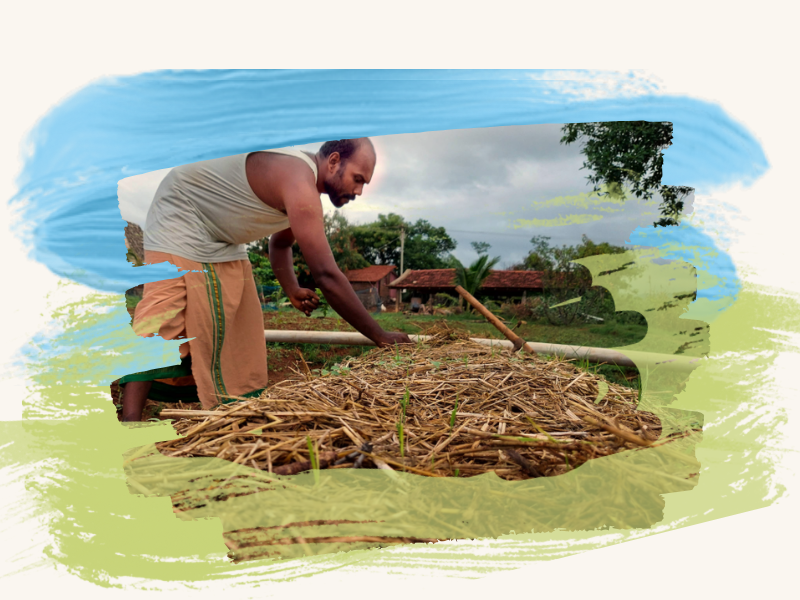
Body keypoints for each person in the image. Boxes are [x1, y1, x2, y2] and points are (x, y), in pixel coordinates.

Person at [119, 138, 411, 421]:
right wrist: (380, 336)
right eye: (357, 178)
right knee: (162, 314)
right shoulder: (298, 180)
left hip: (222, 235)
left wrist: (292, 289)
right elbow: (326, 274)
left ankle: (227, 413)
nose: (358, 190)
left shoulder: (304, 192)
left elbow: (281, 244)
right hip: (180, 214)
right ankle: (130, 419)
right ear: (334, 162)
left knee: (238, 323)